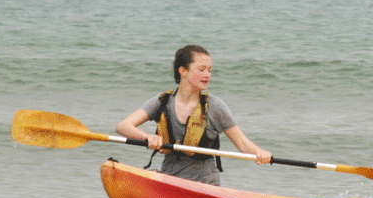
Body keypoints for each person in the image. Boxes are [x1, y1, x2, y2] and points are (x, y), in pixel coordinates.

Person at [116, 44, 270, 185]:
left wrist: (260, 153)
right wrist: (147, 137)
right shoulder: (162, 101)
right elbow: (123, 126)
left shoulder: (215, 107)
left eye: (210, 70)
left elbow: (242, 143)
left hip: (204, 184)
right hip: (169, 181)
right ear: (183, 71)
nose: (207, 75)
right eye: (201, 69)